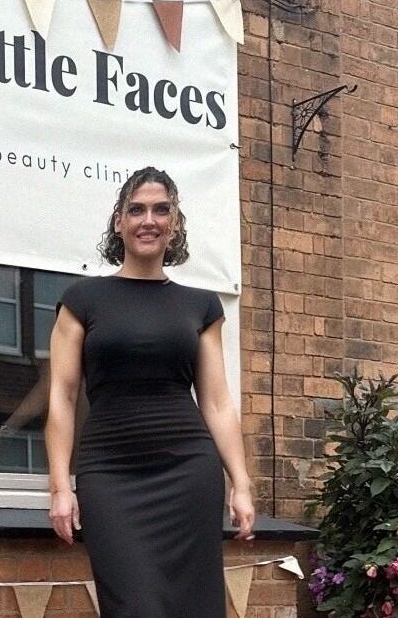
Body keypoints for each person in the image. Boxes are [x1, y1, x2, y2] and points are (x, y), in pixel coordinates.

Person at [44, 166, 254, 618]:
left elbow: (216, 402)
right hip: (110, 474)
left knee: (193, 608)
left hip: (188, 473)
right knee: (134, 607)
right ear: (118, 221)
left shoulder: (200, 306)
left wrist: (241, 483)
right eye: (136, 210)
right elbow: (61, 398)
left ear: (174, 224)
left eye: (161, 210)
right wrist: (60, 486)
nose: (149, 220)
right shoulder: (82, 300)